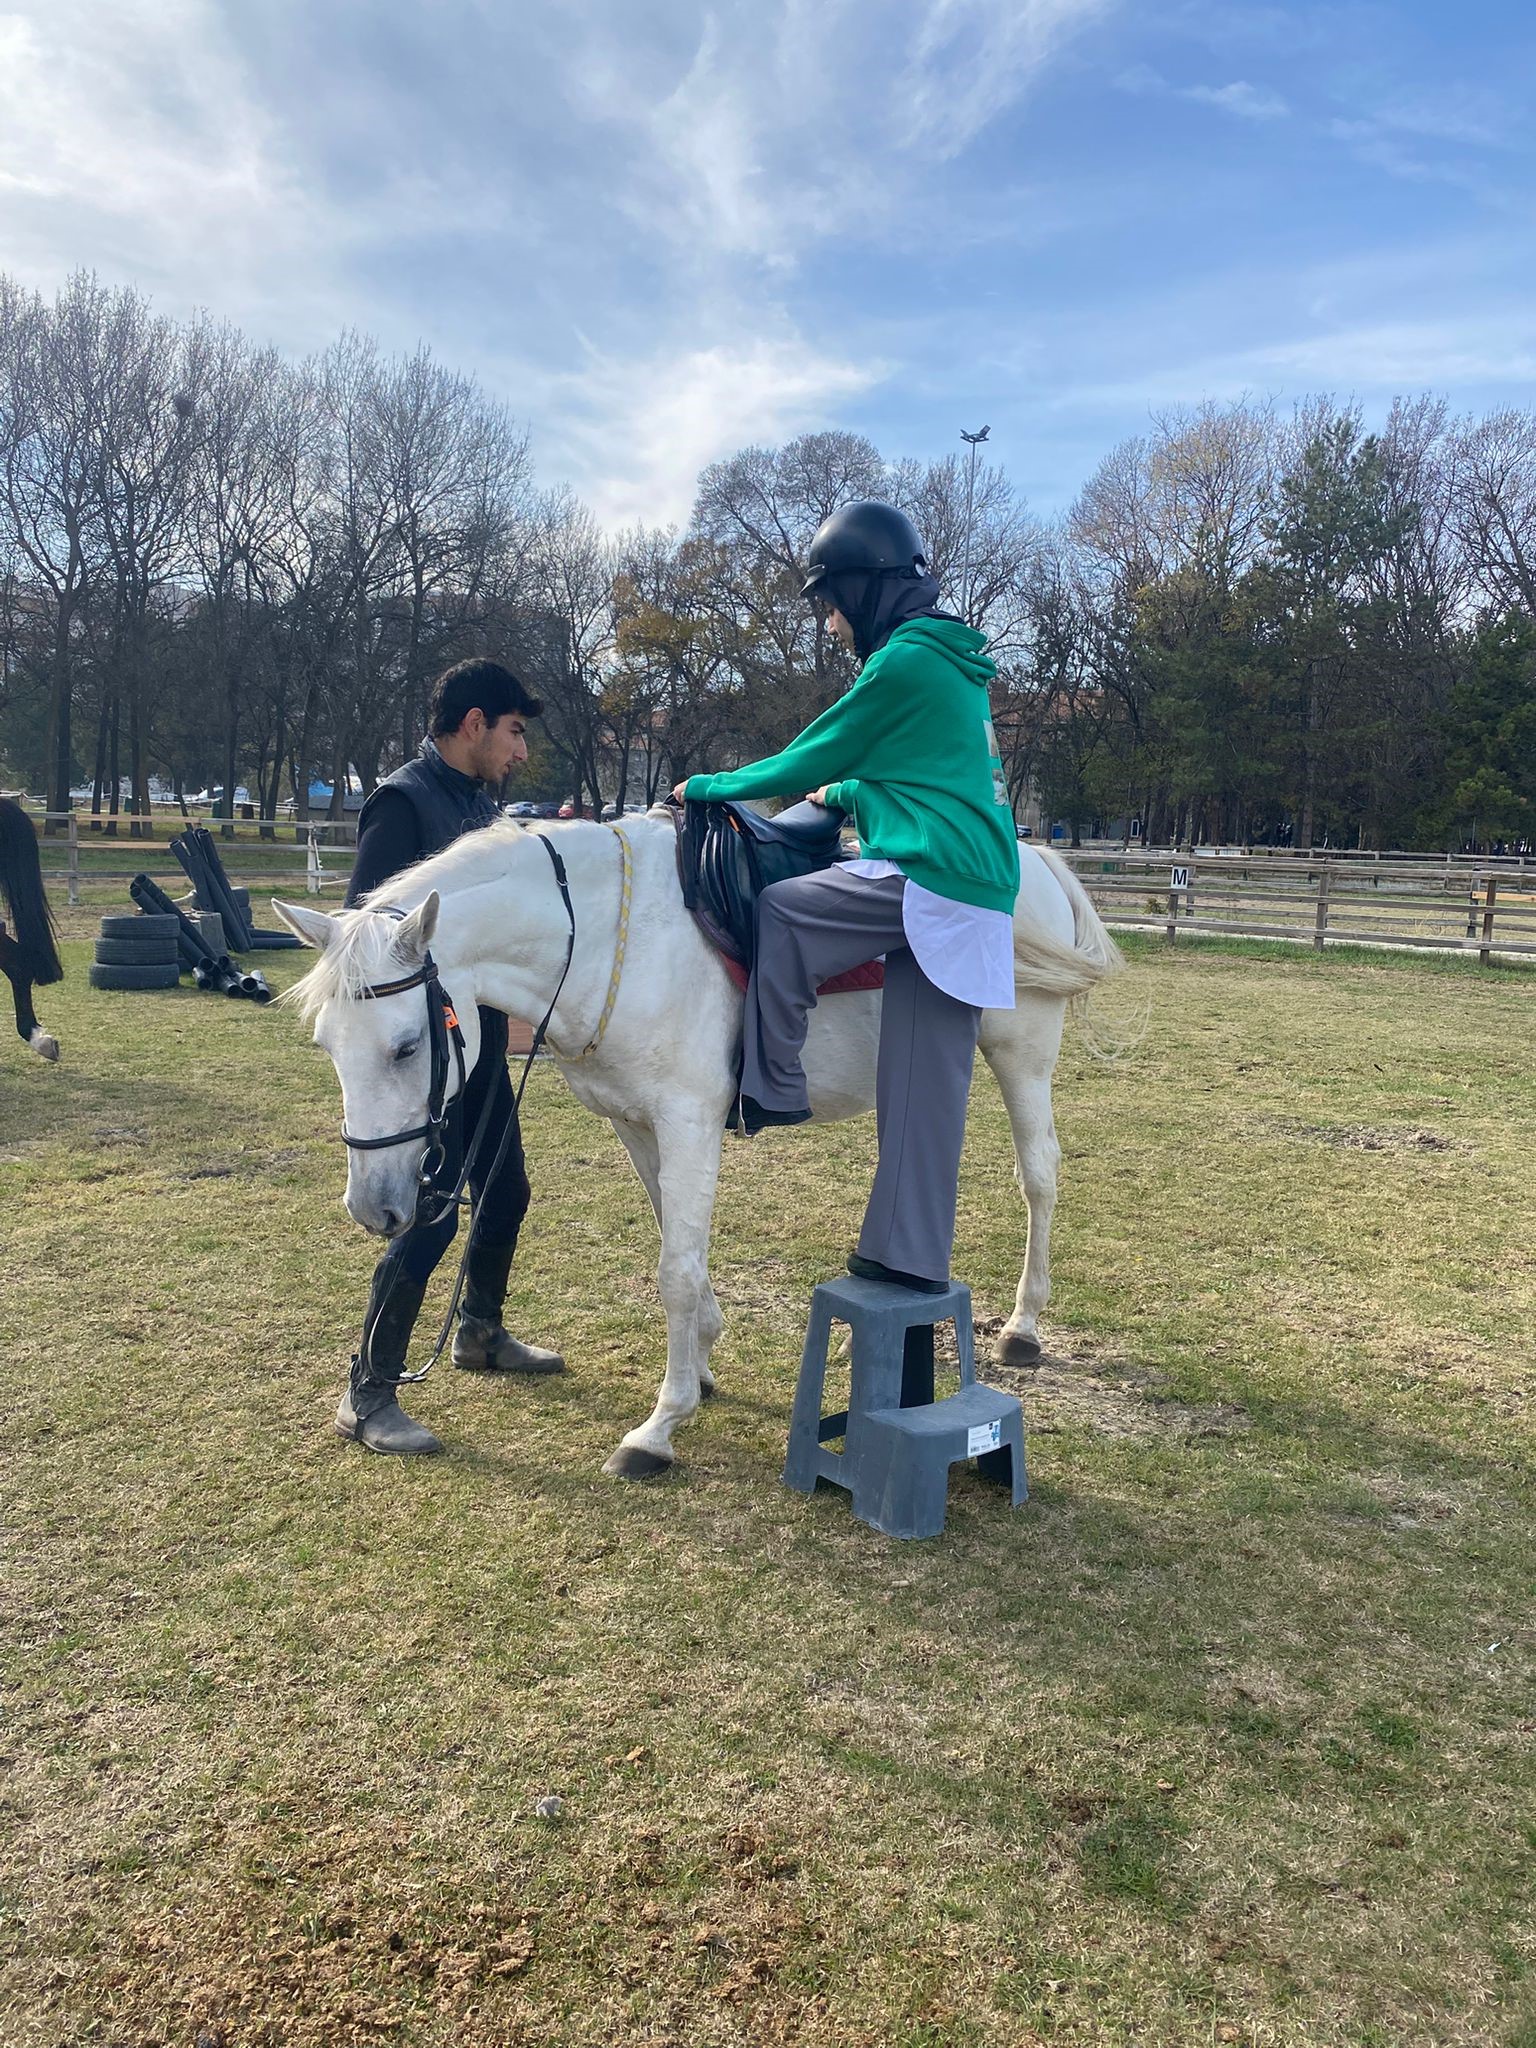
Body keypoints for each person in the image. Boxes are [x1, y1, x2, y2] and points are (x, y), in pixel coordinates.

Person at [674, 501, 1019, 1295]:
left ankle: (772, 1085)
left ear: (864, 589)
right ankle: (910, 1256)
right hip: (980, 886)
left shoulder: (900, 663)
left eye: (831, 607)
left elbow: (808, 752)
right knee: (924, 1085)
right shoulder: (952, 664)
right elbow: (931, 778)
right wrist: (855, 791)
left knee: (788, 909)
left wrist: (708, 786)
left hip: (933, 874)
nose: (831, 627)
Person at [337, 657, 564, 1456]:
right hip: (427, 1060)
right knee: (431, 1213)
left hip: (477, 1046)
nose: (521, 751)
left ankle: (479, 1332)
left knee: (508, 1192)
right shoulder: (403, 804)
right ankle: (366, 1393)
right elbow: (365, 944)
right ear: (474, 724)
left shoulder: (476, 805)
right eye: (513, 731)